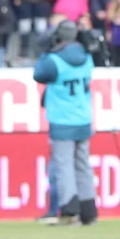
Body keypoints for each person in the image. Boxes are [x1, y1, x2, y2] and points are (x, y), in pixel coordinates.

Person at [33, 20, 98, 226]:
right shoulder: (87, 57)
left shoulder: (54, 60)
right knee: (83, 165)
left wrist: (48, 50)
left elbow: (39, 74)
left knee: (64, 166)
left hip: (62, 119)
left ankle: (70, 212)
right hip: (83, 117)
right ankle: (89, 213)